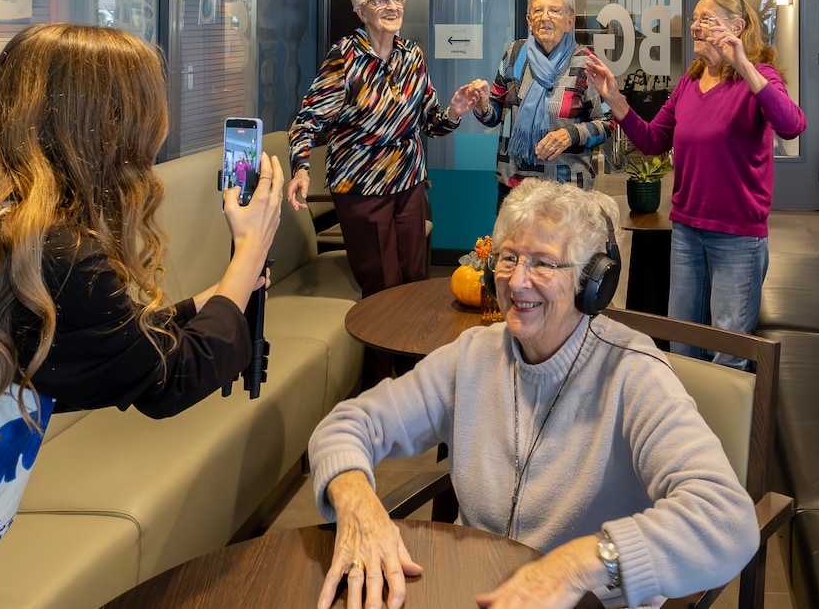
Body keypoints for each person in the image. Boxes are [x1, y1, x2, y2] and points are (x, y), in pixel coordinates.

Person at [307, 179, 757, 609]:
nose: (518, 281)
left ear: (590, 281)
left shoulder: (632, 373)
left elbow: (727, 522)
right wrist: (358, 503)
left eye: (543, 262)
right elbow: (348, 425)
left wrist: (582, 563)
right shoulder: (472, 357)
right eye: (508, 258)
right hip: (474, 586)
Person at [0, 23, 284, 557]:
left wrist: (216, 295)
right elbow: (169, 380)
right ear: (106, 127)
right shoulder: (58, 253)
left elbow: (102, 347)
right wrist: (251, 250)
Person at [585, 0, 806, 370]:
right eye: (694, 19)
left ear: (737, 27)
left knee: (728, 351)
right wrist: (615, 98)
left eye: (706, 19)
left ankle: (726, 427)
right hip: (687, 230)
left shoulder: (759, 78)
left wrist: (744, 64)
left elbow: (792, 125)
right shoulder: (690, 82)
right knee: (682, 341)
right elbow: (654, 140)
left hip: (737, 235)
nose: (695, 27)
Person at [286, 0, 481, 388]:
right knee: (381, 287)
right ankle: (377, 386)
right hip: (361, 187)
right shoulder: (345, 57)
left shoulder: (412, 55)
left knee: (412, 280)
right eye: (380, 1)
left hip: (408, 182)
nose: (391, 6)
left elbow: (430, 123)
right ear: (361, 11)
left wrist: (455, 110)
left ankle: (414, 376)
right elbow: (308, 120)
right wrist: (301, 167)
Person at [468, 0, 613, 213]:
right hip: (514, 189)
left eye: (554, 10)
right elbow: (494, 115)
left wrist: (570, 134)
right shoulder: (515, 54)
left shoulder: (586, 63)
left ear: (569, 21)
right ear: (528, 19)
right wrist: (483, 104)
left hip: (566, 193)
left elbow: (608, 123)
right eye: (538, 10)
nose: (545, 17)